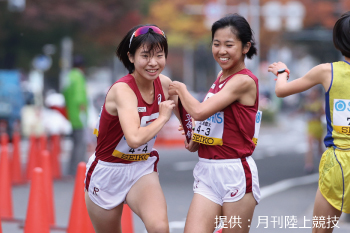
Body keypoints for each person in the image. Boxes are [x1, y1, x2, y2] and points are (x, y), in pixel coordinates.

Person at [169, 14, 261, 233]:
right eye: (216, 44)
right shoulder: (221, 77)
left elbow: (200, 112)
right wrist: (196, 138)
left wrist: (181, 90)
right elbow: (212, 120)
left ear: (245, 47)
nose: (221, 51)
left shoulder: (244, 80)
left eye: (229, 45)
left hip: (235, 171)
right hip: (207, 169)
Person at [84, 24, 176, 233]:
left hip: (141, 169)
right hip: (108, 170)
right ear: (131, 57)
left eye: (159, 55)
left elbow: (191, 114)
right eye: (145, 56)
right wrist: (162, 118)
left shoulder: (165, 84)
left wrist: (192, 135)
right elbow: (134, 138)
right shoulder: (122, 90)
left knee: (160, 228)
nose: (153, 63)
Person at [268, 11, 350, 233]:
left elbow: (282, 90)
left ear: (339, 41)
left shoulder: (327, 71)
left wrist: (282, 72)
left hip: (338, 163)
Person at [63, 55, 88, 175]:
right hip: (79, 114)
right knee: (80, 144)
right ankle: (79, 169)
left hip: (71, 114)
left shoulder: (69, 77)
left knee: (74, 144)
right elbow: (79, 97)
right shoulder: (78, 77)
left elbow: (66, 94)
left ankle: (72, 169)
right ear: (82, 67)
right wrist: (82, 110)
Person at [301, 88, 325, 174]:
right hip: (310, 126)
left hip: (318, 126)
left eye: (314, 93)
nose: (312, 94)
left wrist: (316, 114)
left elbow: (323, 113)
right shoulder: (307, 102)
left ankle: (325, 164)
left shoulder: (319, 102)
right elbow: (302, 110)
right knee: (309, 146)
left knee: (319, 148)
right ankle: (309, 165)